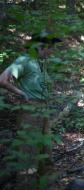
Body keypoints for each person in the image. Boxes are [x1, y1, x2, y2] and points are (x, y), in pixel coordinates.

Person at [0, 31, 62, 173]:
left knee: (45, 148)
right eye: (50, 47)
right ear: (40, 46)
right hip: (31, 110)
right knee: (29, 152)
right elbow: (2, 79)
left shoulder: (39, 63)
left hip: (43, 109)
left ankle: (43, 187)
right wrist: (21, 93)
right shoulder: (24, 60)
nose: (52, 51)